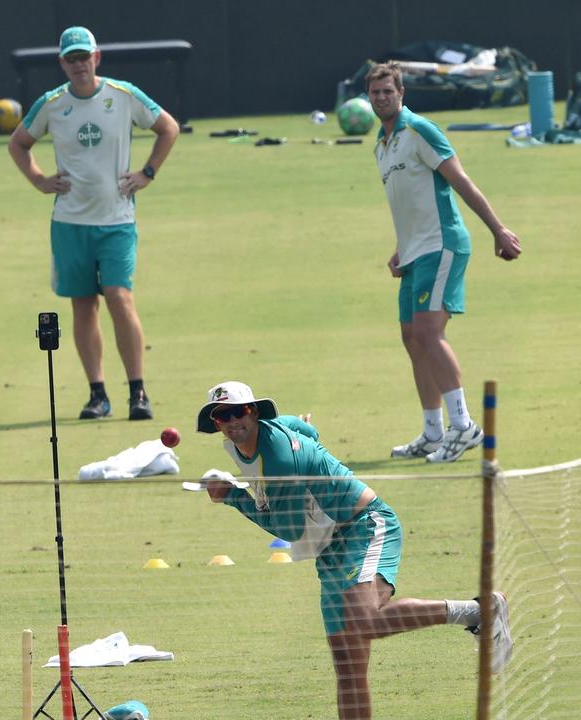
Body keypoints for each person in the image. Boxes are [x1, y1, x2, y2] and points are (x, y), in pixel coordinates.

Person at [196, 380, 512, 719]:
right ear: (216, 424)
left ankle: (478, 612)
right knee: (348, 663)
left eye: (238, 412)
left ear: (253, 411)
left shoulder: (280, 460)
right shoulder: (260, 435)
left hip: (364, 527)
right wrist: (310, 442)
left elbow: (288, 529)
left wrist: (232, 496)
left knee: (364, 623)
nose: (232, 422)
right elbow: (301, 427)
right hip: (330, 547)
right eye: (222, 416)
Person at [8, 27, 179, 422]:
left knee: (119, 296)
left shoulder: (122, 95)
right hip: (69, 222)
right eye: (72, 58)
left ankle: (138, 391)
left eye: (85, 57)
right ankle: (97, 394)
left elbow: (167, 127)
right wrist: (38, 180)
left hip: (116, 219)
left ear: (97, 58)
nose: (79, 64)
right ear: (62, 63)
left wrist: (148, 172)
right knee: (83, 306)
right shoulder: (51, 104)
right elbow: (18, 143)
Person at [367, 62, 523, 463]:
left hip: (443, 245)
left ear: (402, 93)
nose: (382, 98)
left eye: (388, 91)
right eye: (375, 92)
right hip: (415, 252)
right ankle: (434, 432)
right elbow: (408, 202)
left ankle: (464, 426)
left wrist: (498, 230)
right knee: (411, 337)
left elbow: (461, 182)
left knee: (429, 332)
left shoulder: (419, 130)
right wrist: (402, 247)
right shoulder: (381, 145)